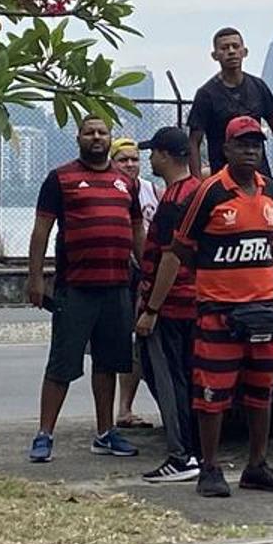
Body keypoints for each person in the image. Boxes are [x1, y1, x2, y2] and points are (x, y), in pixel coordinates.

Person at [139, 116, 273, 498]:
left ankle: (257, 465)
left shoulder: (270, 191)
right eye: (242, 144)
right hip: (218, 311)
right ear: (225, 149)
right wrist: (215, 282)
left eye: (256, 144)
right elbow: (181, 248)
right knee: (212, 393)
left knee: (261, 391)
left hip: (262, 311)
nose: (251, 150)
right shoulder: (209, 192)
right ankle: (209, 466)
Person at [24, 115, 146, 463]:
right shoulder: (60, 178)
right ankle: (45, 434)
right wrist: (35, 278)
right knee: (61, 364)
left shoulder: (126, 183)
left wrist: (148, 273)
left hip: (117, 288)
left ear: (110, 138)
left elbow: (137, 233)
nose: (96, 137)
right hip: (75, 288)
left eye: (102, 132)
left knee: (109, 363)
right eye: (89, 132)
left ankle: (106, 433)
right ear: (78, 137)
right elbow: (41, 232)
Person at [185, 27, 273, 316]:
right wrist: (193, 182)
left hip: (261, 181)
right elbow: (194, 141)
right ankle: (230, 301)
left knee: (272, 241)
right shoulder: (207, 95)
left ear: (244, 51)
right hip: (224, 185)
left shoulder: (258, 88)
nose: (230, 52)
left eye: (235, 46)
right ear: (215, 55)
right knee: (228, 244)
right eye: (224, 47)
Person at [132, 128, 201, 483]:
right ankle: (194, 449)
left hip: (173, 303)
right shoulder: (197, 192)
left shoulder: (176, 199)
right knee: (185, 376)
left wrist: (151, 308)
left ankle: (181, 453)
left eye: (153, 153)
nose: (149, 159)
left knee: (168, 377)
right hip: (194, 299)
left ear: (164, 155)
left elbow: (170, 258)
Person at [111, 137, 161, 430]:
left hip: (146, 271)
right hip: (120, 272)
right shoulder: (108, 188)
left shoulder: (153, 191)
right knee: (125, 344)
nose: (130, 164)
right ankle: (123, 409)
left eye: (134, 159)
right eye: (123, 159)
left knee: (144, 340)